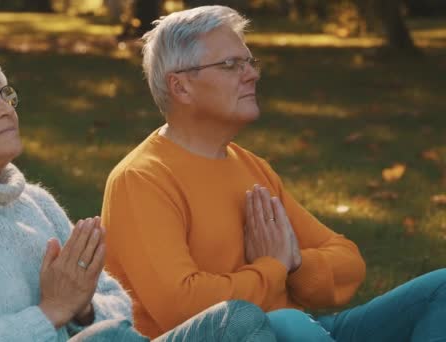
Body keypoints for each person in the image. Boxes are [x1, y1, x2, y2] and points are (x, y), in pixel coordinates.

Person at [0, 33, 276, 342]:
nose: (5, 107)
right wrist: (52, 311)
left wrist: (83, 306)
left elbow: (117, 305)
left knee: (236, 320)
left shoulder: (35, 202)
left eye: (5, 94)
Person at [101, 5, 446, 342]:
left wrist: (294, 263)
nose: (252, 73)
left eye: (249, 62)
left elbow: (347, 261)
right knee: (289, 322)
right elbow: (182, 306)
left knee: (442, 288)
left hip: (310, 328)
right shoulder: (142, 179)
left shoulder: (250, 166)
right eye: (230, 65)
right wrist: (271, 269)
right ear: (181, 87)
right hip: (254, 333)